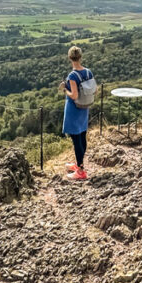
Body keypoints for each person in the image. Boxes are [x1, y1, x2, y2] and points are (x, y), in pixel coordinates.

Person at [60, 45, 94, 181]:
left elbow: (73, 96)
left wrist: (64, 89)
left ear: (70, 58)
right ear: (80, 57)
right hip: (84, 107)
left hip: (74, 108)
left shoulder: (72, 75)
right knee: (82, 135)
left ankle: (80, 171)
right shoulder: (88, 72)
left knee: (75, 138)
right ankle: (79, 164)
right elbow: (94, 90)